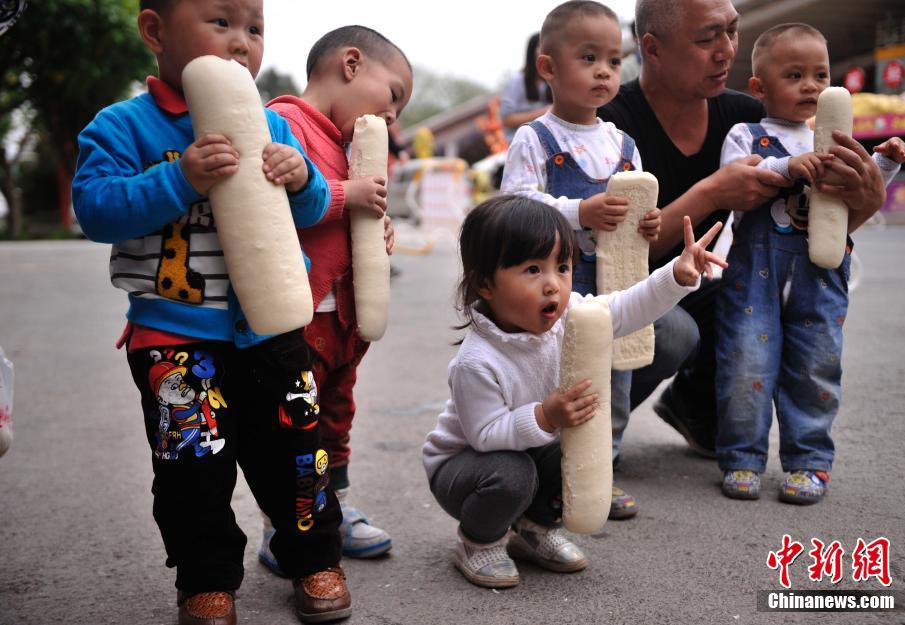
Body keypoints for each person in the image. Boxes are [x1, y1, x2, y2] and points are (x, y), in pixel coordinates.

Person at [72, 1, 351, 623]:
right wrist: (180, 180)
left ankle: (314, 559)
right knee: (192, 469)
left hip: (273, 329)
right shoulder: (123, 126)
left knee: (300, 453)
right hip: (174, 336)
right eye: (220, 23)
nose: (241, 43)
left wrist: (302, 180)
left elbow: (306, 215)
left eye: (254, 29)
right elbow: (94, 208)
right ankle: (206, 578)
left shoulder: (271, 126)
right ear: (155, 31)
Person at [599, 0, 889, 458]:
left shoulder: (749, 120)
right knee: (673, 331)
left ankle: (694, 405)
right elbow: (613, 250)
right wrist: (713, 192)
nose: (726, 51)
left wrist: (866, 201)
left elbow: (803, 223)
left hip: (707, 282)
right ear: (652, 49)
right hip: (620, 293)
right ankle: (582, 438)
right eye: (707, 38)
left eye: (732, 32)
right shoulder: (610, 125)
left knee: (756, 291)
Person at [423, 195, 725, 588]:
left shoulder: (569, 317)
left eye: (562, 267)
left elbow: (622, 309)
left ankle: (534, 528)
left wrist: (676, 276)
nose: (554, 284)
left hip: (526, 449)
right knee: (514, 474)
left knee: (579, 458)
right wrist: (546, 417)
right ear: (486, 284)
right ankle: (478, 541)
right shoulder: (476, 362)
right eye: (533, 269)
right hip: (465, 467)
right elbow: (485, 435)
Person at [715, 23, 905, 504]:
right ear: (760, 87)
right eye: (795, 75)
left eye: (820, 75)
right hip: (752, 274)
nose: (811, 86)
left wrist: (885, 162)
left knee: (815, 364)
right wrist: (786, 167)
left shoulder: (836, 137)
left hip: (819, 276)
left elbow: (859, 190)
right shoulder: (748, 134)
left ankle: (808, 462)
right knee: (746, 362)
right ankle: (742, 457)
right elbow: (735, 177)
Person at [256, 25, 412, 568]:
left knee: (338, 414)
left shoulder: (354, 145)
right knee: (299, 421)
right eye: (393, 97)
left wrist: (379, 227)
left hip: (344, 314)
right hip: (300, 313)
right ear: (351, 64)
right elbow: (277, 205)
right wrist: (351, 197)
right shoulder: (284, 122)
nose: (394, 119)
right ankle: (286, 524)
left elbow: (356, 220)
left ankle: (335, 507)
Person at [500, 0, 661, 520]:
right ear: (548, 67)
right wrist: (578, 210)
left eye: (615, 61)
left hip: (612, 282)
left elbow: (637, 211)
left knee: (610, 380)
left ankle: (599, 470)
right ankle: (547, 478)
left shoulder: (624, 143)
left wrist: (647, 223)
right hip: (552, 287)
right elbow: (516, 206)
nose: (604, 71)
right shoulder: (535, 138)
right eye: (588, 57)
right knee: (551, 381)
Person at [499, 33, 553, 144]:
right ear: (532, 51)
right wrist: (543, 112)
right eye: (540, 46)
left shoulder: (555, 77)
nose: (545, 50)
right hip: (523, 144)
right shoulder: (517, 82)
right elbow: (506, 119)